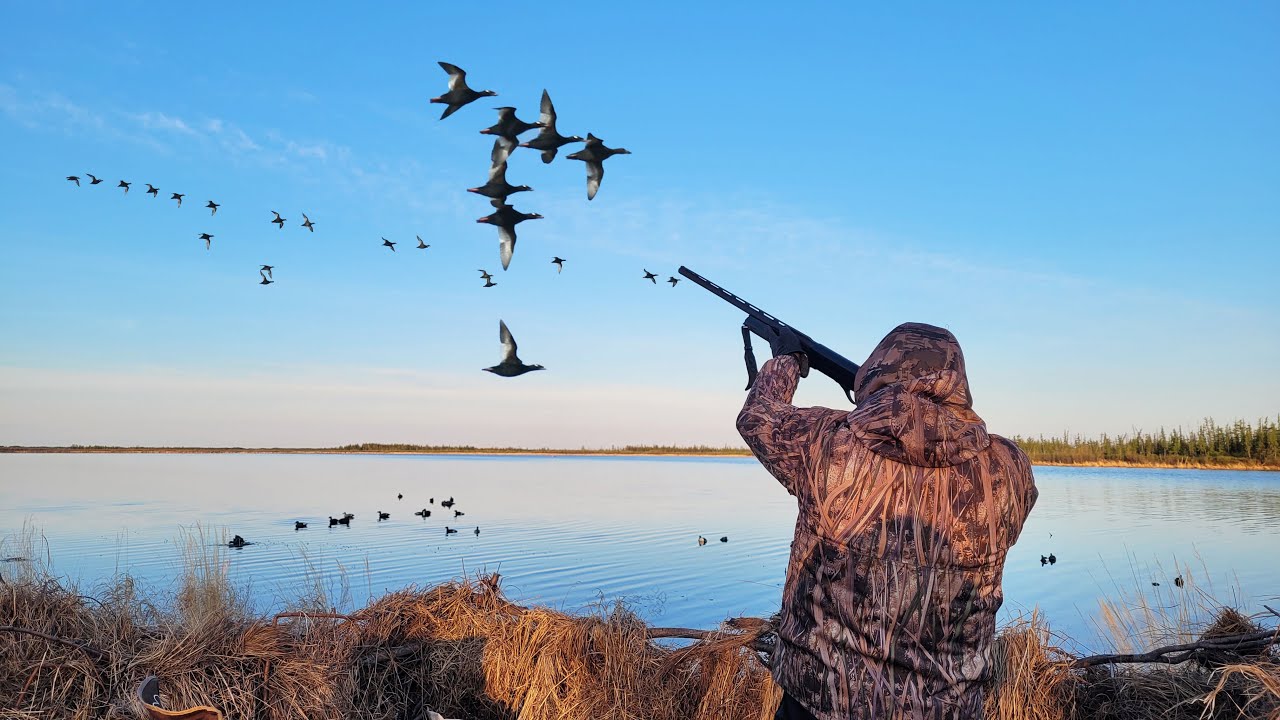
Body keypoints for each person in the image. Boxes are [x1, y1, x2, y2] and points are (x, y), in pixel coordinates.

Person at [736, 322, 1038, 720]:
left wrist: (788, 359)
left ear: (878, 368)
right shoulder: (1009, 468)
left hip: (818, 703)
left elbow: (757, 417)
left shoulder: (825, 441)